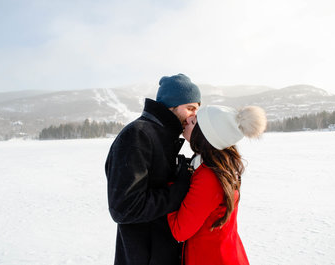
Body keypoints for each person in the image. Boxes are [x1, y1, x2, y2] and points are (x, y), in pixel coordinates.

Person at [105, 73, 201, 265]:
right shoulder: (137, 136)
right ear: (171, 105)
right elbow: (124, 208)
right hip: (142, 256)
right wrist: (179, 189)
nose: (194, 116)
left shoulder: (163, 136)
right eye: (190, 108)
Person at [167, 105, 267, 265]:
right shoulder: (218, 166)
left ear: (206, 136)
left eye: (195, 121)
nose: (189, 119)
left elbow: (180, 230)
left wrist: (171, 184)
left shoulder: (209, 177)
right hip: (226, 254)